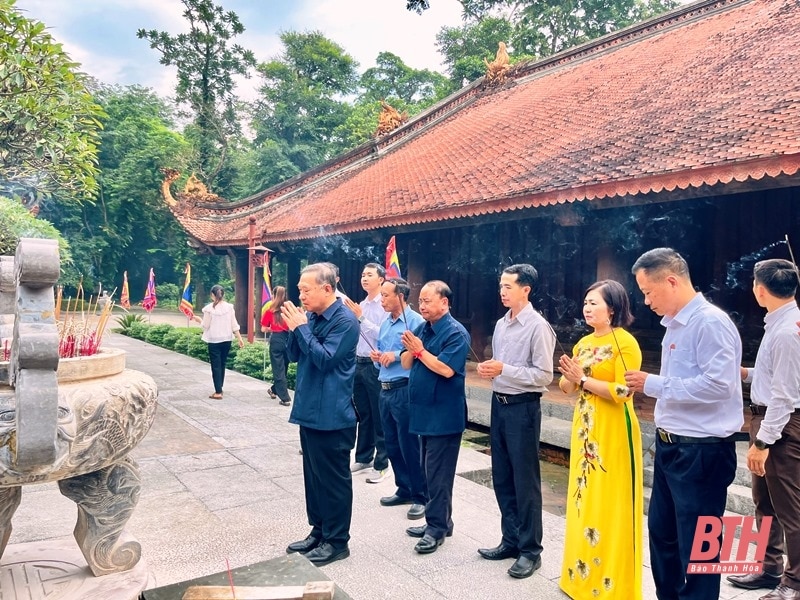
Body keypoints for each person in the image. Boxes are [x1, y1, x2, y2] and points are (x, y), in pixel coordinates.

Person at [624, 247, 743, 600]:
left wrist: (652, 383)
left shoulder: (710, 322)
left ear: (672, 281)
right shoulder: (675, 326)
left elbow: (719, 385)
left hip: (701, 452)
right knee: (662, 534)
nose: (646, 301)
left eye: (648, 292)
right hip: (671, 446)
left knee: (700, 547)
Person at [557, 280, 644, 598]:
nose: (587, 307)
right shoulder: (581, 344)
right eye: (585, 302)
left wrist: (583, 378)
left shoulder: (626, 344)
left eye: (594, 302)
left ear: (613, 308)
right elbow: (569, 389)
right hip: (585, 431)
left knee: (611, 504)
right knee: (584, 501)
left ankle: (611, 586)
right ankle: (579, 579)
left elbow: (623, 392)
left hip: (613, 432)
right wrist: (570, 377)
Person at [475, 264, 555, 580]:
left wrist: (503, 369)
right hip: (500, 404)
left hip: (523, 409)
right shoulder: (501, 324)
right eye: (501, 286)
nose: (502, 291)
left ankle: (531, 551)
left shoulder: (538, 327)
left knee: (525, 482)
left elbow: (543, 376)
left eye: (508, 286)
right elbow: (500, 367)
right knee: (503, 477)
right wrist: (492, 371)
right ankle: (510, 540)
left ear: (526, 289)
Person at [727, 259, 800, 599]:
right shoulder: (782, 322)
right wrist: (747, 373)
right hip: (768, 419)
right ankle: (769, 566)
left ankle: (795, 581)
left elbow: (785, 395)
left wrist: (763, 441)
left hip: (779, 425)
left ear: (760, 288)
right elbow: (775, 376)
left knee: (789, 507)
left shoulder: (787, 331)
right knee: (764, 501)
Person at [281, 263, 360, 566]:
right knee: (313, 478)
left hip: (333, 414)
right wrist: (294, 328)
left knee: (333, 480)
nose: (301, 295)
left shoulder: (345, 321)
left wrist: (301, 328)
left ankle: (338, 541)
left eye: (306, 289)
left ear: (327, 289)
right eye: (299, 290)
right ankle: (319, 531)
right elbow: (295, 355)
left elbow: (326, 360)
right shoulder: (311, 316)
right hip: (310, 410)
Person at [400, 280, 469, 555]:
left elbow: (445, 369)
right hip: (423, 412)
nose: (423, 305)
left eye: (428, 300)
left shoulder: (456, 333)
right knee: (428, 472)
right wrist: (411, 350)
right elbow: (406, 362)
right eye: (421, 300)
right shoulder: (422, 329)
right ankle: (441, 520)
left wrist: (418, 351)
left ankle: (436, 529)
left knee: (438, 474)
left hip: (444, 415)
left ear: (445, 302)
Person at [369, 278, 427, 520]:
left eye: (385, 295)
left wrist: (391, 355)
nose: (381, 300)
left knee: (409, 445)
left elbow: (417, 354)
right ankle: (403, 487)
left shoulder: (415, 322)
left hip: (404, 388)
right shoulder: (385, 323)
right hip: (384, 388)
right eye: (381, 295)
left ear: (400, 296)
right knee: (391, 443)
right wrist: (377, 356)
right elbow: (381, 353)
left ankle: (420, 496)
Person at [344, 263, 390, 483]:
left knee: (379, 413)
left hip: (376, 364)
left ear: (381, 279)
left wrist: (362, 318)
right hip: (359, 362)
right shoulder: (361, 304)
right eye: (362, 274)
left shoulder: (384, 304)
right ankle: (363, 456)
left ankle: (382, 463)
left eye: (369, 275)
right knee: (363, 413)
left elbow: (385, 334)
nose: (364, 278)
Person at [194, 284, 244, 399]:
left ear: (212, 295)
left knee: (215, 365)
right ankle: (219, 387)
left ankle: (218, 391)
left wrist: (199, 320)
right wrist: (240, 338)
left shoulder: (209, 309)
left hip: (214, 340)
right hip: (227, 340)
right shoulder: (229, 307)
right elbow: (234, 324)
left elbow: (205, 326)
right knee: (222, 363)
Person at [260, 285, 291, 406]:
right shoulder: (288, 310)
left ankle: (284, 398)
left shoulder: (270, 310)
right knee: (284, 368)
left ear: (273, 295)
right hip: (288, 339)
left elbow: (263, 329)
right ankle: (273, 390)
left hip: (276, 339)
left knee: (278, 369)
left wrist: (272, 327)